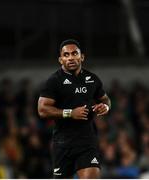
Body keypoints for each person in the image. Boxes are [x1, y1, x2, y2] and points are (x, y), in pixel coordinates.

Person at [38, 39, 111, 179]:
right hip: (63, 144)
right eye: (66, 55)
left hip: (87, 142)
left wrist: (105, 106)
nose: (70, 57)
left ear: (82, 56)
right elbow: (42, 110)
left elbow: (105, 99)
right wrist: (70, 113)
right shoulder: (54, 81)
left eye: (74, 53)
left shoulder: (92, 79)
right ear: (60, 59)